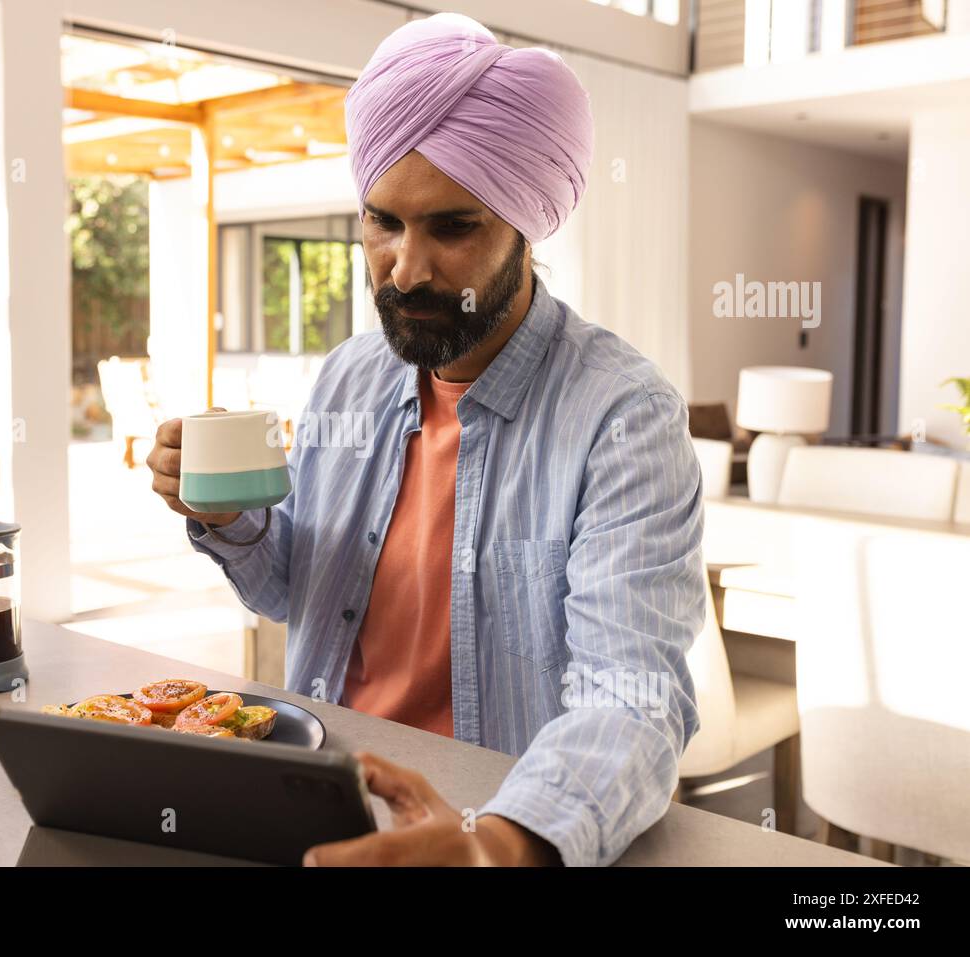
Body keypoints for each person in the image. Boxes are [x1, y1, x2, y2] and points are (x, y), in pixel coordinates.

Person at [147, 12, 705, 866]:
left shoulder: (623, 417)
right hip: (319, 805)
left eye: (452, 228)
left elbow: (631, 697)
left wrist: (505, 843)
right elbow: (294, 589)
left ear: (526, 226)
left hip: (489, 823)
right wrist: (227, 518)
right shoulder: (348, 377)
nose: (406, 269)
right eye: (383, 223)